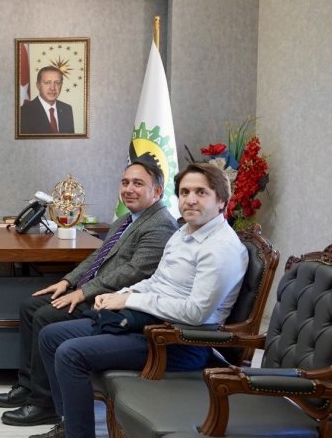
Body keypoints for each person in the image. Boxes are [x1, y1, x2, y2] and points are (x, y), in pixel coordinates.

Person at [31, 162, 249, 438]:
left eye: (201, 192)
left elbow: (196, 313)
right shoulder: (183, 233)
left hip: (180, 342)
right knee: (51, 336)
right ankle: (70, 425)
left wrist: (130, 302)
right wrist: (122, 294)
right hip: (148, 324)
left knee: (70, 353)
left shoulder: (221, 249)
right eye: (184, 192)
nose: (190, 199)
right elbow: (156, 281)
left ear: (221, 201)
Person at [0, 158, 178, 427]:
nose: (128, 189)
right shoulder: (126, 219)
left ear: (157, 191)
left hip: (115, 303)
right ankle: (28, 385)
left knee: (45, 316)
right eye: (125, 182)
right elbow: (97, 258)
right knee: (30, 306)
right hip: (95, 291)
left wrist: (83, 292)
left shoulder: (160, 224)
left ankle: (44, 404)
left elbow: (134, 272)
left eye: (138, 184)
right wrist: (67, 282)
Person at [20, 66, 75, 134]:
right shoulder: (23, 113)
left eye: (57, 83)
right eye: (47, 82)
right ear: (38, 85)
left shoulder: (67, 109)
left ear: (61, 85)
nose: (52, 88)